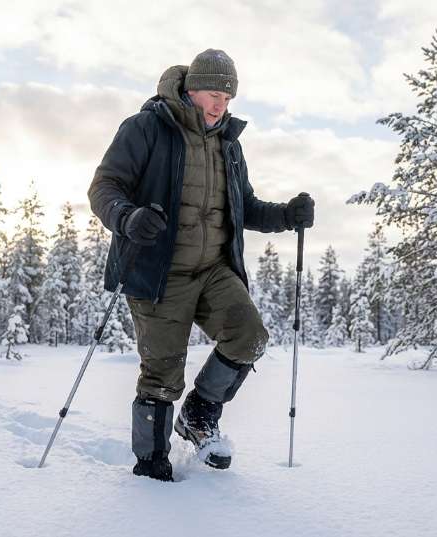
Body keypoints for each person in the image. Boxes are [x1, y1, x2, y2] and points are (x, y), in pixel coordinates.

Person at [88, 49, 315, 481]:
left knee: (249, 336)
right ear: (192, 89)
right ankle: (151, 464)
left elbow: (244, 206)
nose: (220, 106)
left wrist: (287, 215)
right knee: (161, 375)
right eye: (214, 95)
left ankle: (198, 416)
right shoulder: (146, 128)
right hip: (158, 272)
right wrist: (127, 217)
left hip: (213, 269)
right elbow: (105, 186)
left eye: (227, 99)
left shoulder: (229, 144)